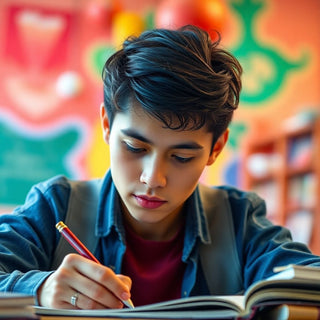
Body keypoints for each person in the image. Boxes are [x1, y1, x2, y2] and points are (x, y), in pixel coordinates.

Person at [0, 25, 320, 310]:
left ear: (217, 148)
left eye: (181, 157)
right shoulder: (55, 206)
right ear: (107, 127)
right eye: (135, 148)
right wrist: (40, 288)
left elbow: (306, 275)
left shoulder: (239, 221)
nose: (152, 178)